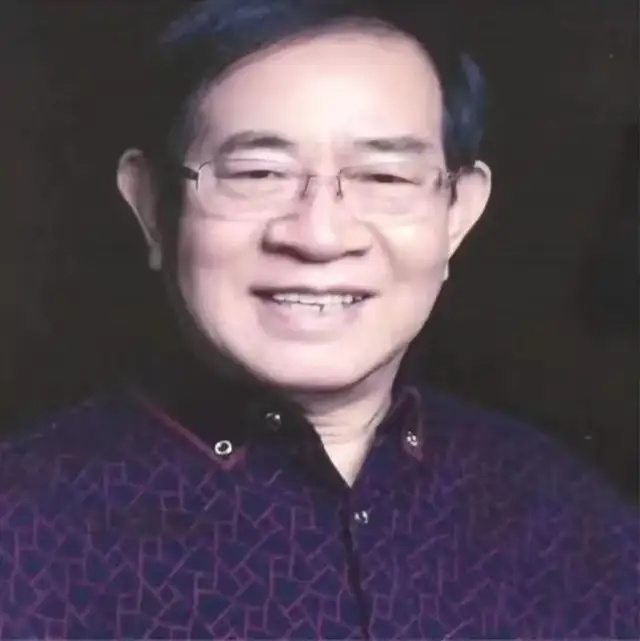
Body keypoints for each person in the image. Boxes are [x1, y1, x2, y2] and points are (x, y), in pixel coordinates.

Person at [0, 0, 637, 638]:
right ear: (151, 205)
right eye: (258, 172)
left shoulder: (567, 520)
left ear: (458, 214)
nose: (320, 236)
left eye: (385, 177)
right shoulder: (23, 529)